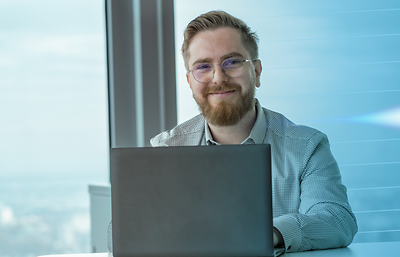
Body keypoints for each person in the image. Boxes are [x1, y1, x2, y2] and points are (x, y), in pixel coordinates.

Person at [148, 10, 358, 253]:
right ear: (190, 82)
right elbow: (123, 232)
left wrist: (267, 234)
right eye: (203, 66)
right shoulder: (166, 150)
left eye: (233, 62)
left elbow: (336, 220)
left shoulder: (307, 147)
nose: (218, 78)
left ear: (256, 72)